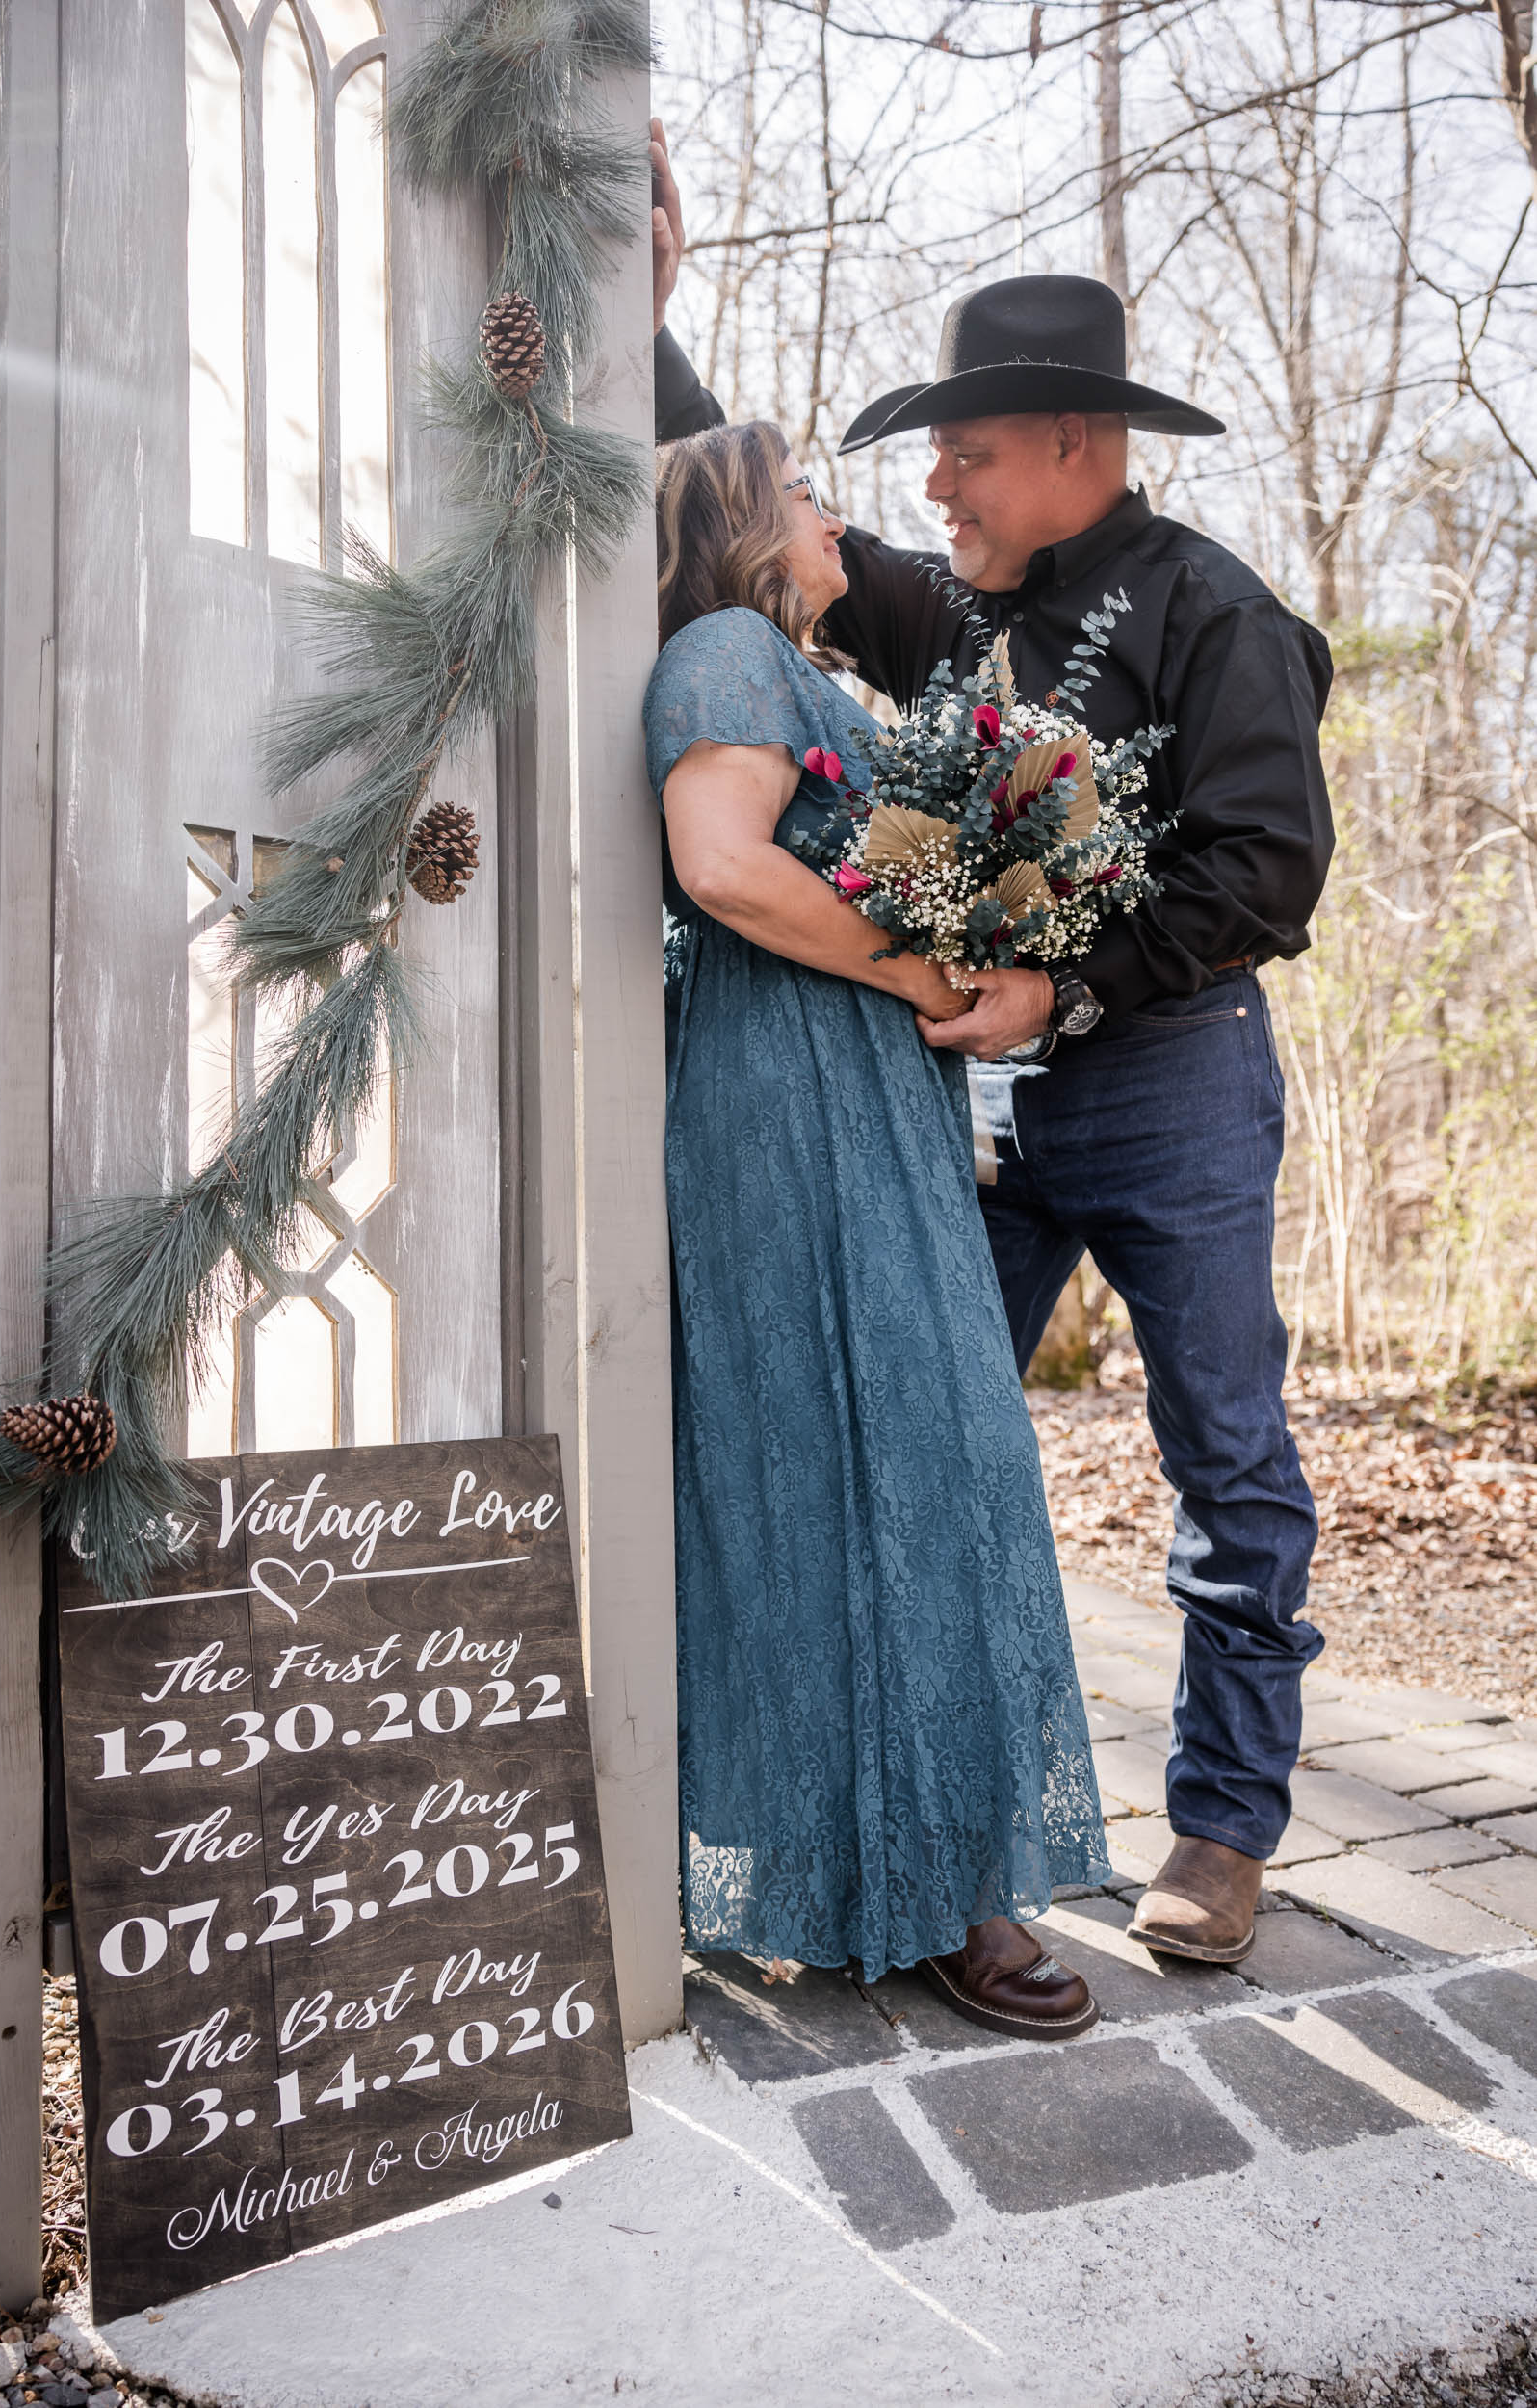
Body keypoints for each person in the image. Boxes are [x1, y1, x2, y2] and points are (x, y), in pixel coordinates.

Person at [649, 124, 1333, 1969]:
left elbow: (1269, 868)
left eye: (960, 448)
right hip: (961, 1101)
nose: (929, 479)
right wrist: (639, 295)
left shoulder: (1218, 612)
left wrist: (1073, 989)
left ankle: (1220, 1832)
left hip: (1169, 1082)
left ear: (1072, 450)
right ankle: (920, 1833)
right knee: (929, 1450)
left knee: (1227, 1457)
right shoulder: (952, 613)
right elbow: (753, 520)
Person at [647, 416, 1111, 2034]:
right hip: (786, 1110)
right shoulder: (721, 646)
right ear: (750, 526)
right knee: (882, 1455)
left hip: (869, 1111)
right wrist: (920, 969)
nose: (840, 515)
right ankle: (933, 1889)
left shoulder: (813, 679)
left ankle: (909, 1866)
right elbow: (720, 865)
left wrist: (995, 897)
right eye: (810, 494)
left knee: (903, 1459)